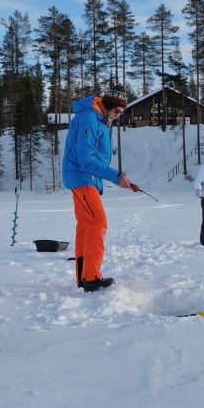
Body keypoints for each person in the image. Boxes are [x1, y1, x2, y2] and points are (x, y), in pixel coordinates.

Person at [62, 88, 132, 292]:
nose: (119, 115)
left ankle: (84, 277)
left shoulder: (100, 120)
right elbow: (86, 160)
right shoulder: (90, 119)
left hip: (87, 179)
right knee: (98, 223)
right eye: (118, 111)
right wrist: (116, 176)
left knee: (86, 226)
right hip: (82, 177)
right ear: (108, 105)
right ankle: (91, 278)